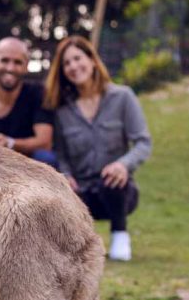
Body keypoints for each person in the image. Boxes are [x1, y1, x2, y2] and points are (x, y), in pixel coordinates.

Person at [43, 35, 152, 262]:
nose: (73, 66)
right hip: (81, 192)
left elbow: (143, 142)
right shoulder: (62, 111)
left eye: (77, 58)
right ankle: (76, 248)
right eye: (67, 63)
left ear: (92, 60)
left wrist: (123, 164)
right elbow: (60, 153)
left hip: (118, 192)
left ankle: (120, 236)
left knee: (112, 179)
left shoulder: (123, 97)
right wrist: (66, 175)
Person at [0, 37, 57, 167]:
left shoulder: (38, 94)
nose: (10, 68)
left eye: (18, 62)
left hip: (33, 169)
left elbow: (44, 142)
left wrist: (9, 143)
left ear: (26, 66)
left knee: (46, 157)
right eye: (5, 60)